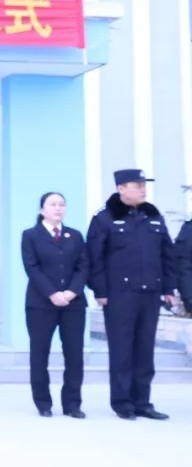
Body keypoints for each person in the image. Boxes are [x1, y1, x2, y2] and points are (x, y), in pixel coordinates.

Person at [86, 169, 177, 421]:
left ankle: (142, 402)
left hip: (150, 293)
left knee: (145, 350)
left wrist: (169, 288)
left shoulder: (153, 216)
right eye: (137, 185)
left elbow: (168, 255)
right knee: (122, 349)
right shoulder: (105, 218)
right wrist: (100, 290)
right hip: (119, 295)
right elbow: (94, 257)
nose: (143, 189)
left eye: (144, 184)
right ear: (121, 189)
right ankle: (123, 403)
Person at [20, 191, 89, 418]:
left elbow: (83, 266)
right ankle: (43, 403)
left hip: (73, 304)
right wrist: (51, 293)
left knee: (74, 355)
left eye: (61, 204)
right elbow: (32, 267)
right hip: (40, 304)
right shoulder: (31, 235)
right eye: (52, 204)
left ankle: (72, 404)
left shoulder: (75, 236)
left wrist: (71, 292)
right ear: (42, 210)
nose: (58, 208)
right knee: (39, 354)